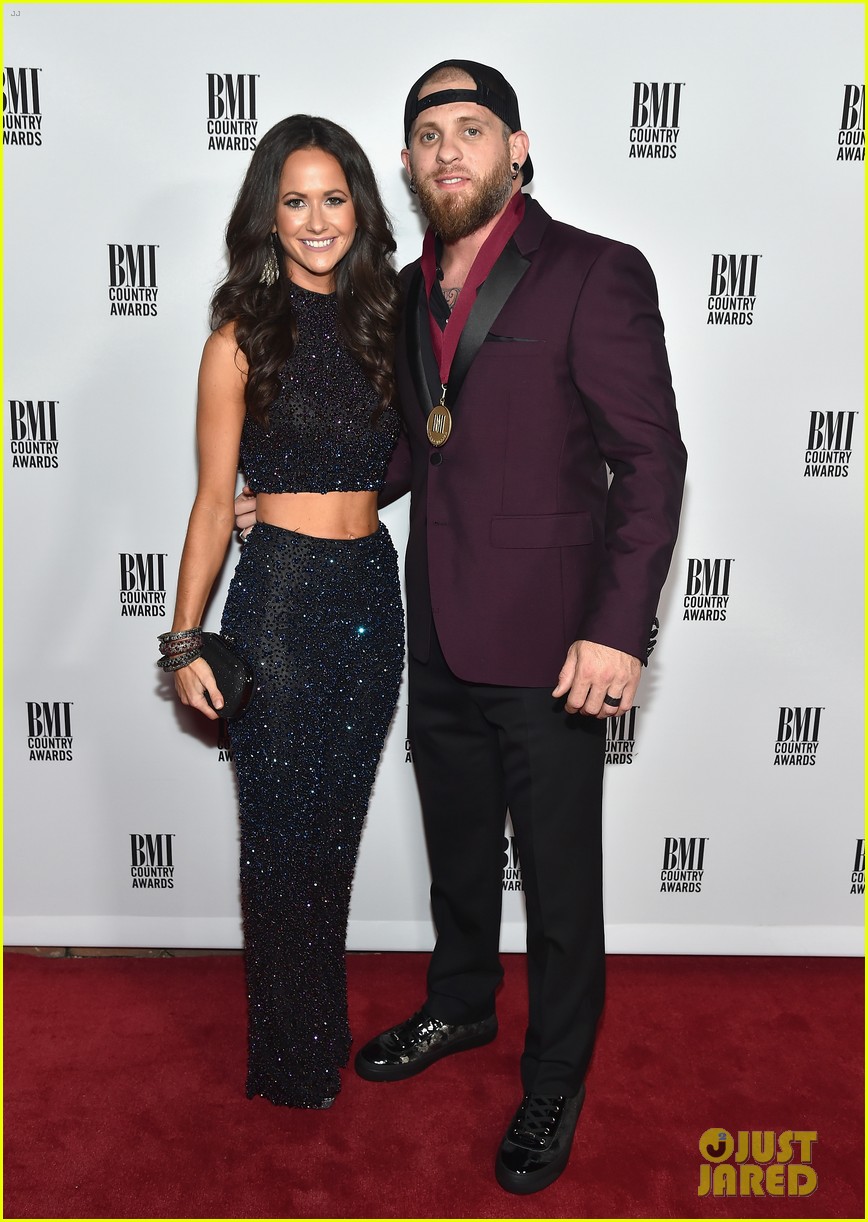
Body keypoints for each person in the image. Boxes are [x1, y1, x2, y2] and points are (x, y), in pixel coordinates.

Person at [237, 61, 686, 1191]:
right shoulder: (399, 292)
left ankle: (556, 1075)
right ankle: (460, 1002)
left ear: (515, 149)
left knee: (560, 877)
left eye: (472, 128)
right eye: (429, 133)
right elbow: (416, 442)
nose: (449, 150)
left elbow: (650, 462)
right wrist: (303, 491)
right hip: (429, 622)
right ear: (405, 162)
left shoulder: (595, 271)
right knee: (459, 849)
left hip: (554, 641)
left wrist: (618, 630)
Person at [160, 115, 404, 1110]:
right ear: (267, 217)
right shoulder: (239, 341)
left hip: (371, 600)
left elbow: (422, 450)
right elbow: (213, 502)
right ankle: (291, 1052)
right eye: (294, 201)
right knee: (278, 839)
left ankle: (316, 1020)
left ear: (360, 208)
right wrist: (184, 638)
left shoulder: (388, 322)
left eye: (332, 198)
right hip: (282, 604)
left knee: (333, 834)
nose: (315, 220)